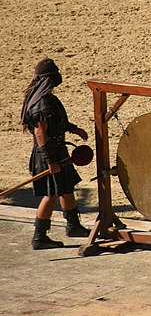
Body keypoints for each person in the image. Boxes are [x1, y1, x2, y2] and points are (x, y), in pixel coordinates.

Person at [20, 58, 91, 250]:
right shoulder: (41, 104)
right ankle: (39, 237)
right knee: (50, 195)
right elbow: (40, 132)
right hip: (48, 154)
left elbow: (57, 122)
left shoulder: (49, 99)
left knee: (66, 188)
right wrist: (50, 160)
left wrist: (74, 129)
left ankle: (73, 226)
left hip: (59, 151)